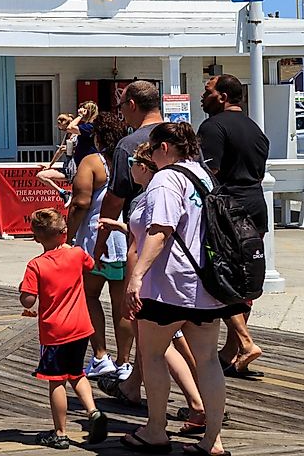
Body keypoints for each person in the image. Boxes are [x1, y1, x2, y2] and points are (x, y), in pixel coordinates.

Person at [114, 121, 239, 456]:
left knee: (153, 354)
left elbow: (160, 231)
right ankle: (213, 439)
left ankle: (156, 430)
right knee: (209, 360)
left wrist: (136, 277)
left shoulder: (167, 179)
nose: (153, 157)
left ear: (164, 148)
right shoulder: (203, 175)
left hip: (168, 286)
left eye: (154, 150)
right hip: (207, 287)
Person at [95, 79, 163, 402]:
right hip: (183, 243)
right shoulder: (184, 139)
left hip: (143, 241)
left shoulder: (128, 145)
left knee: (152, 327)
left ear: (132, 105)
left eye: (122, 106)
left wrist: (98, 244)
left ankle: (194, 403)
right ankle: (132, 385)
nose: (121, 113)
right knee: (178, 328)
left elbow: (113, 202)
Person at [19, 208, 109, 450]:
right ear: (63, 233)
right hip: (81, 328)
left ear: (36, 237)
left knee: (56, 381)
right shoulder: (77, 254)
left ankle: (60, 432)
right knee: (76, 372)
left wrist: (23, 290)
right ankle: (93, 412)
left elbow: (28, 301)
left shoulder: (35, 265)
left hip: (54, 333)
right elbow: (91, 265)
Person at [198, 74, 268, 377]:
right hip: (256, 204)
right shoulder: (255, 128)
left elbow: (208, 172)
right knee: (244, 277)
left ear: (223, 97)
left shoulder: (213, 127)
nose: (203, 96)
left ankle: (243, 342)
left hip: (228, 210)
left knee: (221, 276)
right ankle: (230, 351)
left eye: (208, 91)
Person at [65, 112, 132, 379]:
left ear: (98, 136)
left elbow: (81, 203)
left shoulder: (93, 162)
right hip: (124, 238)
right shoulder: (127, 161)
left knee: (90, 296)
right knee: (122, 305)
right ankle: (125, 362)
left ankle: (101, 356)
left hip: (96, 238)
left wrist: (67, 237)